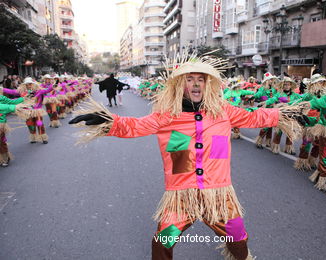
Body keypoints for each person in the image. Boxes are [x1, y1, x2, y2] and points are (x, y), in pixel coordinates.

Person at [69, 52, 308, 260]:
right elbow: (134, 126)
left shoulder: (223, 111)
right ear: (180, 85)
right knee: (164, 240)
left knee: (238, 238)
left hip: (220, 197)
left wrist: (286, 114)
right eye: (189, 79)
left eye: (200, 80)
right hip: (180, 199)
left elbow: (255, 117)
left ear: (207, 84)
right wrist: (108, 121)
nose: (195, 84)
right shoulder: (166, 115)